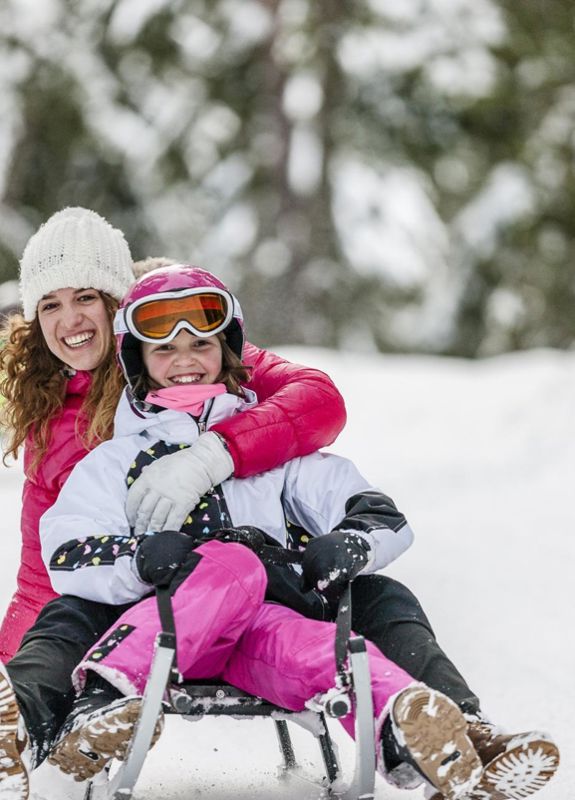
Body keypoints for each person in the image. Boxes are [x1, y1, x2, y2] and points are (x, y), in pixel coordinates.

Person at [12, 264, 487, 800]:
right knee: (92, 603)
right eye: (163, 350)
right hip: (162, 626)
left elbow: (368, 507)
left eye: (200, 344)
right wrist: (140, 558)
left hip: (264, 627)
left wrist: (352, 539)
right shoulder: (117, 461)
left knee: (329, 650)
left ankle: (431, 737)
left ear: (228, 348)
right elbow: (69, 551)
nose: (184, 360)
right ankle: (63, 708)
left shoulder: (271, 455)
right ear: (138, 362)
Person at [0, 208, 347, 662]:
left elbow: (319, 401)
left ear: (116, 301)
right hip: (117, 602)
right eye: (50, 304)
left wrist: (213, 455)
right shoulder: (46, 410)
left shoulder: (179, 359)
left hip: (226, 587)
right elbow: (40, 579)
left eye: (85, 297)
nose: (70, 321)